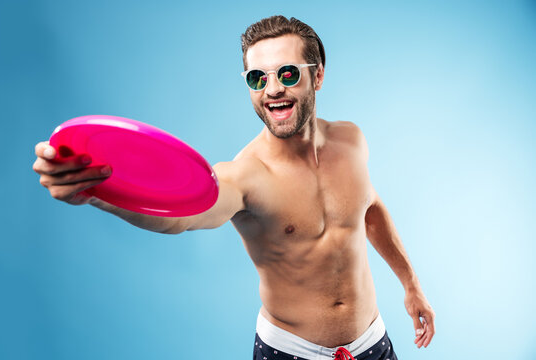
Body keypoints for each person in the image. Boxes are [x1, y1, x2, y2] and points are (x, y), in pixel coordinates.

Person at [33, 15, 435, 360]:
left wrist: (411, 285)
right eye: (258, 78)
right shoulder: (244, 176)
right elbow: (183, 217)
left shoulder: (352, 141)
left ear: (318, 75)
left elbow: (370, 208)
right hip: (290, 352)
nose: (273, 89)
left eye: (288, 73)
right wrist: (98, 193)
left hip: (373, 343)